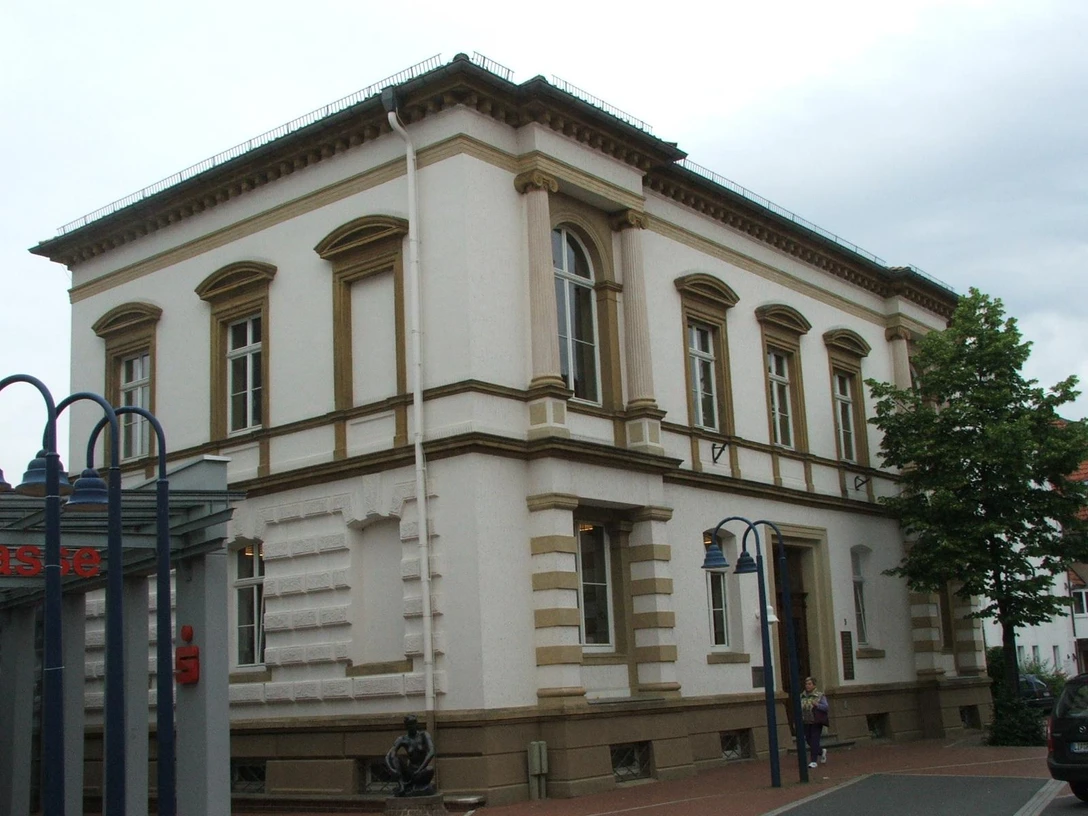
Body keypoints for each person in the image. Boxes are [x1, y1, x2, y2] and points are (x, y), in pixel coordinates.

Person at [385, 714, 437, 797]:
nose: (412, 726)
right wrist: (392, 769)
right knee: (395, 758)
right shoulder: (402, 739)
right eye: (409, 724)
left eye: (414, 723)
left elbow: (431, 752)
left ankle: (410, 785)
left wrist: (419, 769)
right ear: (406, 726)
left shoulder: (424, 735)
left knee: (430, 769)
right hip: (410, 771)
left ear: (416, 724)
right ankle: (402, 785)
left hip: (421, 770)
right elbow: (389, 755)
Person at [799, 676, 829, 769]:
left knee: (815, 739)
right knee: (808, 739)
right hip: (806, 720)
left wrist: (817, 705)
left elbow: (826, 707)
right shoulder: (802, 696)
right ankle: (821, 751)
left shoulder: (820, 695)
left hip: (816, 721)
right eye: (806, 684)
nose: (807, 686)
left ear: (814, 685)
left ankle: (813, 761)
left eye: (809, 684)